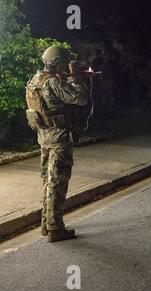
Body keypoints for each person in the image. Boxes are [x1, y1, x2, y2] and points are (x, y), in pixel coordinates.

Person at [25, 46, 90, 243]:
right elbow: (80, 98)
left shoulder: (35, 79)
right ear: (58, 63)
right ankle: (55, 228)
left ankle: (46, 223)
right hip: (58, 137)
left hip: (43, 137)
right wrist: (76, 78)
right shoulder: (53, 82)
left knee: (48, 180)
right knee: (58, 181)